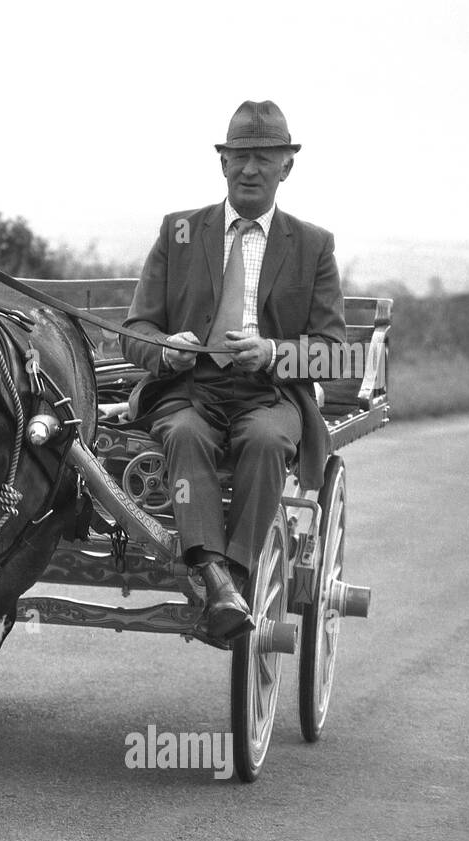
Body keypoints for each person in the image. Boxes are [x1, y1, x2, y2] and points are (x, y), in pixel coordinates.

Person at [122, 100, 345, 640]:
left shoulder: (312, 245)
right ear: (222, 163)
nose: (250, 169)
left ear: (286, 166)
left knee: (268, 441)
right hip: (188, 390)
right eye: (240, 156)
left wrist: (272, 352)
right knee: (183, 434)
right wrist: (165, 350)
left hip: (270, 396)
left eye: (265, 157)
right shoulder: (178, 232)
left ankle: (237, 579)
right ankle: (214, 576)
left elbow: (335, 353)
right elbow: (136, 333)